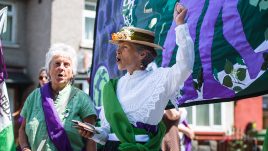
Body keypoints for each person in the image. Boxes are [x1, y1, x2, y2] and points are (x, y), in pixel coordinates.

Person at [79, 3, 194, 150]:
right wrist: (93, 132)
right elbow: (106, 134)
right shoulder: (113, 86)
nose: (117, 52)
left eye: (124, 47)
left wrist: (180, 25)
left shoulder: (160, 78)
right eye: (117, 47)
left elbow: (186, 65)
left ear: (142, 54)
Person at [18, 43, 97, 151]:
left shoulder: (82, 99)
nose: (61, 68)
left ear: (72, 72)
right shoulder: (34, 96)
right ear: (48, 70)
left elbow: (91, 139)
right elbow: (22, 129)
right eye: (57, 64)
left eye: (66, 64)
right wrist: (25, 147)